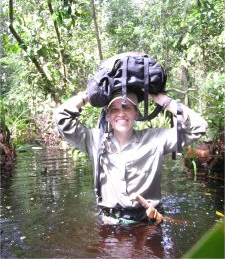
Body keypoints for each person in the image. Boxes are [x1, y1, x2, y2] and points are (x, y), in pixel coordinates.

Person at [54, 88, 208, 225]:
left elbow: (199, 126)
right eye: (114, 109)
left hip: (147, 223)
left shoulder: (156, 140)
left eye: (127, 107)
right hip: (108, 225)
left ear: (137, 113)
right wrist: (88, 94)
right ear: (108, 115)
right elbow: (61, 118)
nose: (121, 113)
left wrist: (161, 99)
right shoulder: (94, 140)